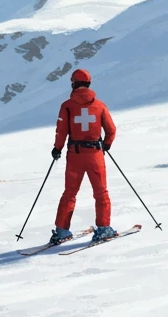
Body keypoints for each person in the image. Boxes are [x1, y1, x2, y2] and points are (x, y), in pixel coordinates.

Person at [50, 69, 118, 245]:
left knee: (70, 193)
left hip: (74, 155)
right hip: (95, 154)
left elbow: (61, 130)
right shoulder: (100, 105)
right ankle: (103, 229)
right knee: (101, 193)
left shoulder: (67, 106)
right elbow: (111, 130)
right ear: (89, 84)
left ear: (73, 83)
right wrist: (106, 145)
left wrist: (57, 148)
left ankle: (62, 231)